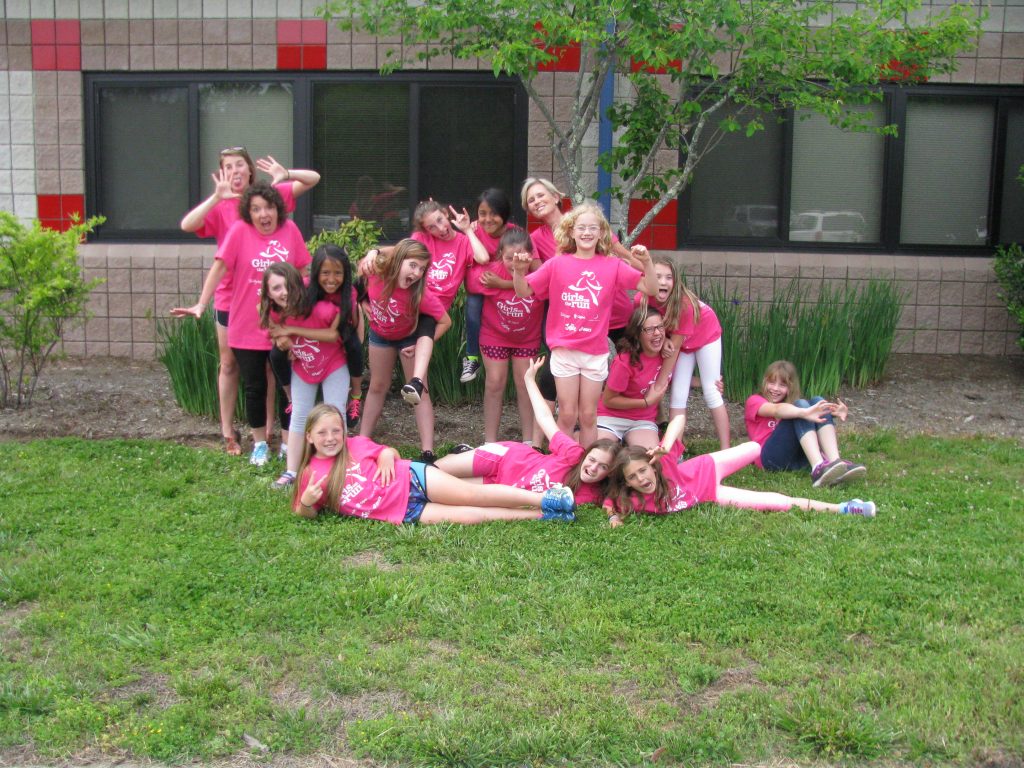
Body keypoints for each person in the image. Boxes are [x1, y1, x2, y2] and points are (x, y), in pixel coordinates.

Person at [180, 147, 320, 455]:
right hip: (234, 300)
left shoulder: (273, 201)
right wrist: (216, 197)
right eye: (228, 166)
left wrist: (286, 173)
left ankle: (273, 434)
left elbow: (313, 179)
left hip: (277, 307)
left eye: (239, 165)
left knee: (276, 371)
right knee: (233, 365)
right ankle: (232, 433)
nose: (235, 171)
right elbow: (189, 228)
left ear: (249, 169)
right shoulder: (228, 214)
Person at [512, 201, 657, 448]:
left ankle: (587, 463)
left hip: (594, 352)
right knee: (567, 415)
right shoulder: (557, 263)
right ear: (571, 231)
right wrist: (518, 271)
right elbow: (523, 291)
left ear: (601, 233)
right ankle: (564, 461)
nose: (587, 233)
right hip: (565, 351)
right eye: (581, 227)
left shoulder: (612, 265)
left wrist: (648, 262)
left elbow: (650, 288)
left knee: (589, 416)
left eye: (592, 228)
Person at [293, 404, 577, 524]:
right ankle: (544, 515)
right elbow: (304, 512)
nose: (330, 438)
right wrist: (307, 502)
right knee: (470, 516)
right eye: (322, 433)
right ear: (309, 437)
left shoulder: (354, 444)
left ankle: (547, 498)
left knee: (472, 495)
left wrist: (386, 455)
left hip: (412, 478)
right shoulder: (310, 473)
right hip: (404, 512)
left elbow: (388, 451)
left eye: (336, 431)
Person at [602, 415, 877, 527]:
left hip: (707, 466)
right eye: (633, 477)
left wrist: (666, 445)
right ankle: (844, 507)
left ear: (651, 465)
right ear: (627, 483)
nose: (641, 479)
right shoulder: (634, 500)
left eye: (643, 471)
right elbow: (610, 503)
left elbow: (679, 419)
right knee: (777, 502)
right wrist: (614, 518)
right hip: (710, 492)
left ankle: (810, 451)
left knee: (755, 449)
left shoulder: (664, 464)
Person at [435, 356, 619, 506]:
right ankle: (465, 454)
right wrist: (529, 380)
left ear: (610, 472)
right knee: (434, 470)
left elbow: (627, 494)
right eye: (592, 460)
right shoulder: (573, 454)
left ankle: (464, 453)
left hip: (503, 485)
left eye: (603, 466)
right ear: (585, 455)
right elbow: (545, 419)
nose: (593, 468)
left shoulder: (592, 495)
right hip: (505, 457)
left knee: (441, 488)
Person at [258, 262, 353, 490]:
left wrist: (290, 332)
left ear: (298, 286)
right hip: (304, 366)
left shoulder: (320, 309)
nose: (284, 293)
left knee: (335, 412)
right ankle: (292, 471)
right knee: (299, 415)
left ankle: (341, 469)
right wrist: (278, 337)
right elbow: (260, 309)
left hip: (333, 364)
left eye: (288, 286)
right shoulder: (274, 312)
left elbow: (337, 327)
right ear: (269, 294)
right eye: (276, 288)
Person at [359, 239, 451, 464]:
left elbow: (445, 321)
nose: (417, 273)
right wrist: (362, 302)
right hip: (380, 335)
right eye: (413, 265)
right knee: (377, 386)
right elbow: (357, 284)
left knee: (419, 391)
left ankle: (428, 451)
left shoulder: (419, 295)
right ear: (398, 260)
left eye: (422, 269)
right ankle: (362, 441)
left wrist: (420, 344)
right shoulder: (375, 273)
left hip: (408, 339)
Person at [268, 245, 365, 430]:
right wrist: (279, 337)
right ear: (316, 273)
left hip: (338, 330)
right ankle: (290, 397)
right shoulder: (303, 287)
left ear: (345, 274)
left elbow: (342, 328)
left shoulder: (348, 293)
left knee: (354, 347)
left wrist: (290, 330)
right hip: (307, 332)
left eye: (338, 273)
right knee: (276, 354)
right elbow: (264, 308)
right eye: (325, 273)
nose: (331, 279)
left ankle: (356, 395)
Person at [644, 255, 730, 450]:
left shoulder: (684, 305)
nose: (663, 282)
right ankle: (676, 451)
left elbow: (673, 348)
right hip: (681, 342)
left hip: (705, 336)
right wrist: (664, 341)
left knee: (712, 392)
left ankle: (726, 450)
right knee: (678, 394)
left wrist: (660, 384)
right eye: (657, 276)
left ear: (676, 281)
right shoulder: (643, 299)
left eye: (669, 277)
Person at [744, 360, 866, 487]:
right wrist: (804, 412)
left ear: (790, 387)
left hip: (797, 459)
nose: (775, 388)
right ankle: (818, 467)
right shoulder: (754, 401)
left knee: (817, 401)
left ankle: (835, 462)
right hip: (770, 459)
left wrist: (833, 412)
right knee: (801, 406)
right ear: (765, 382)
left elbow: (807, 412)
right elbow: (776, 410)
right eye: (772, 382)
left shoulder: (794, 406)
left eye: (782, 385)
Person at [474, 228, 544, 443]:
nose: (515, 263)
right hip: (494, 335)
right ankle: (490, 442)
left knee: (525, 384)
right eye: (509, 258)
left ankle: (529, 442)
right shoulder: (491, 273)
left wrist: (503, 285)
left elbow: (536, 286)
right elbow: (471, 281)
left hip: (527, 338)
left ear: (531, 255)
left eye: (520, 257)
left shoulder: (540, 274)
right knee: (494, 383)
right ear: (499, 256)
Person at [461, 188, 518, 384]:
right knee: (473, 309)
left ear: (504, 213)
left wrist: (500, 282)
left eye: (494, 213)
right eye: (482, 213)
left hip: (508, 292)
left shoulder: (515, 234)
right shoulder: (474, 231)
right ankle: (471, 357)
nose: (487, 219)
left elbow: (526, 273)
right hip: (480, 291)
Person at [596, 305, 672, 451]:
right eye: (649, 329)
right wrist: (646, 402)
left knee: (648, 457)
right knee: (601, 455)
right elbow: (608, 400)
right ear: (637, 334)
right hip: (611, 416)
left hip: (643, 420)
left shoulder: (668, 355)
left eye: (660, 327)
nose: (657, 333)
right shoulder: (624, 361)